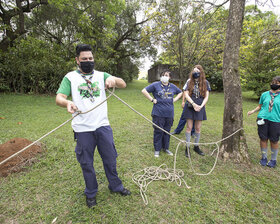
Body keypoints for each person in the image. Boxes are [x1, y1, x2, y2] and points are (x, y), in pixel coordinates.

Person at [56, 44, 131, 208]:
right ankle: (91, 192)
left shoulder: (101, 75)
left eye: (90, 58)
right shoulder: (70, 77)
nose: (88, 61)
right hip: (83, 129)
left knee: (110, 158)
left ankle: (116, 186)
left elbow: (123, 84)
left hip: (103, 126)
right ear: (77, 60)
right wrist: (67, 102)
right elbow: (59, 97)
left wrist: (113, 79)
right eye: (84, 59)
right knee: (86, 163)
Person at [142, 70, 182, 157]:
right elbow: (144, 90)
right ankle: (157, 149)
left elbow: (181, 92)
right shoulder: (155, 85)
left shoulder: (173, 86)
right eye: (163, 75)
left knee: (167, 131)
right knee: (158, 131)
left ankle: (166, 148)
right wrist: (152, 99)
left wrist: (175, 99)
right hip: (158, 113)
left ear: (170, 77)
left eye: (167, 75)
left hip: (169, 113)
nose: (165, 76)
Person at [247, 76, 280, 168]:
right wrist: (253, 111)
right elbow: (260, 106)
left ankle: (273, 160)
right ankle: (264, 158)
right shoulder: (265, 94)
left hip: (276, 121)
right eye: (273, 82)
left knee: (274, 140)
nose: (274, 84)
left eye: (276, 83)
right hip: (262, 119)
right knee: (263, 138)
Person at [184, 65, 211, 157]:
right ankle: (187, 147)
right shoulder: (189, 81)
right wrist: (193, 104)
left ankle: (196, 146)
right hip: (190, 106)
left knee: (198, 128)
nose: (196, 73)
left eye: (198, 71)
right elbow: (186, 94)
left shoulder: (205, 83)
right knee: (189, 127)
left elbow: (206, 96)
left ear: (201, 72)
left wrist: (200, 106)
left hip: (200, 106)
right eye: (194, 71)